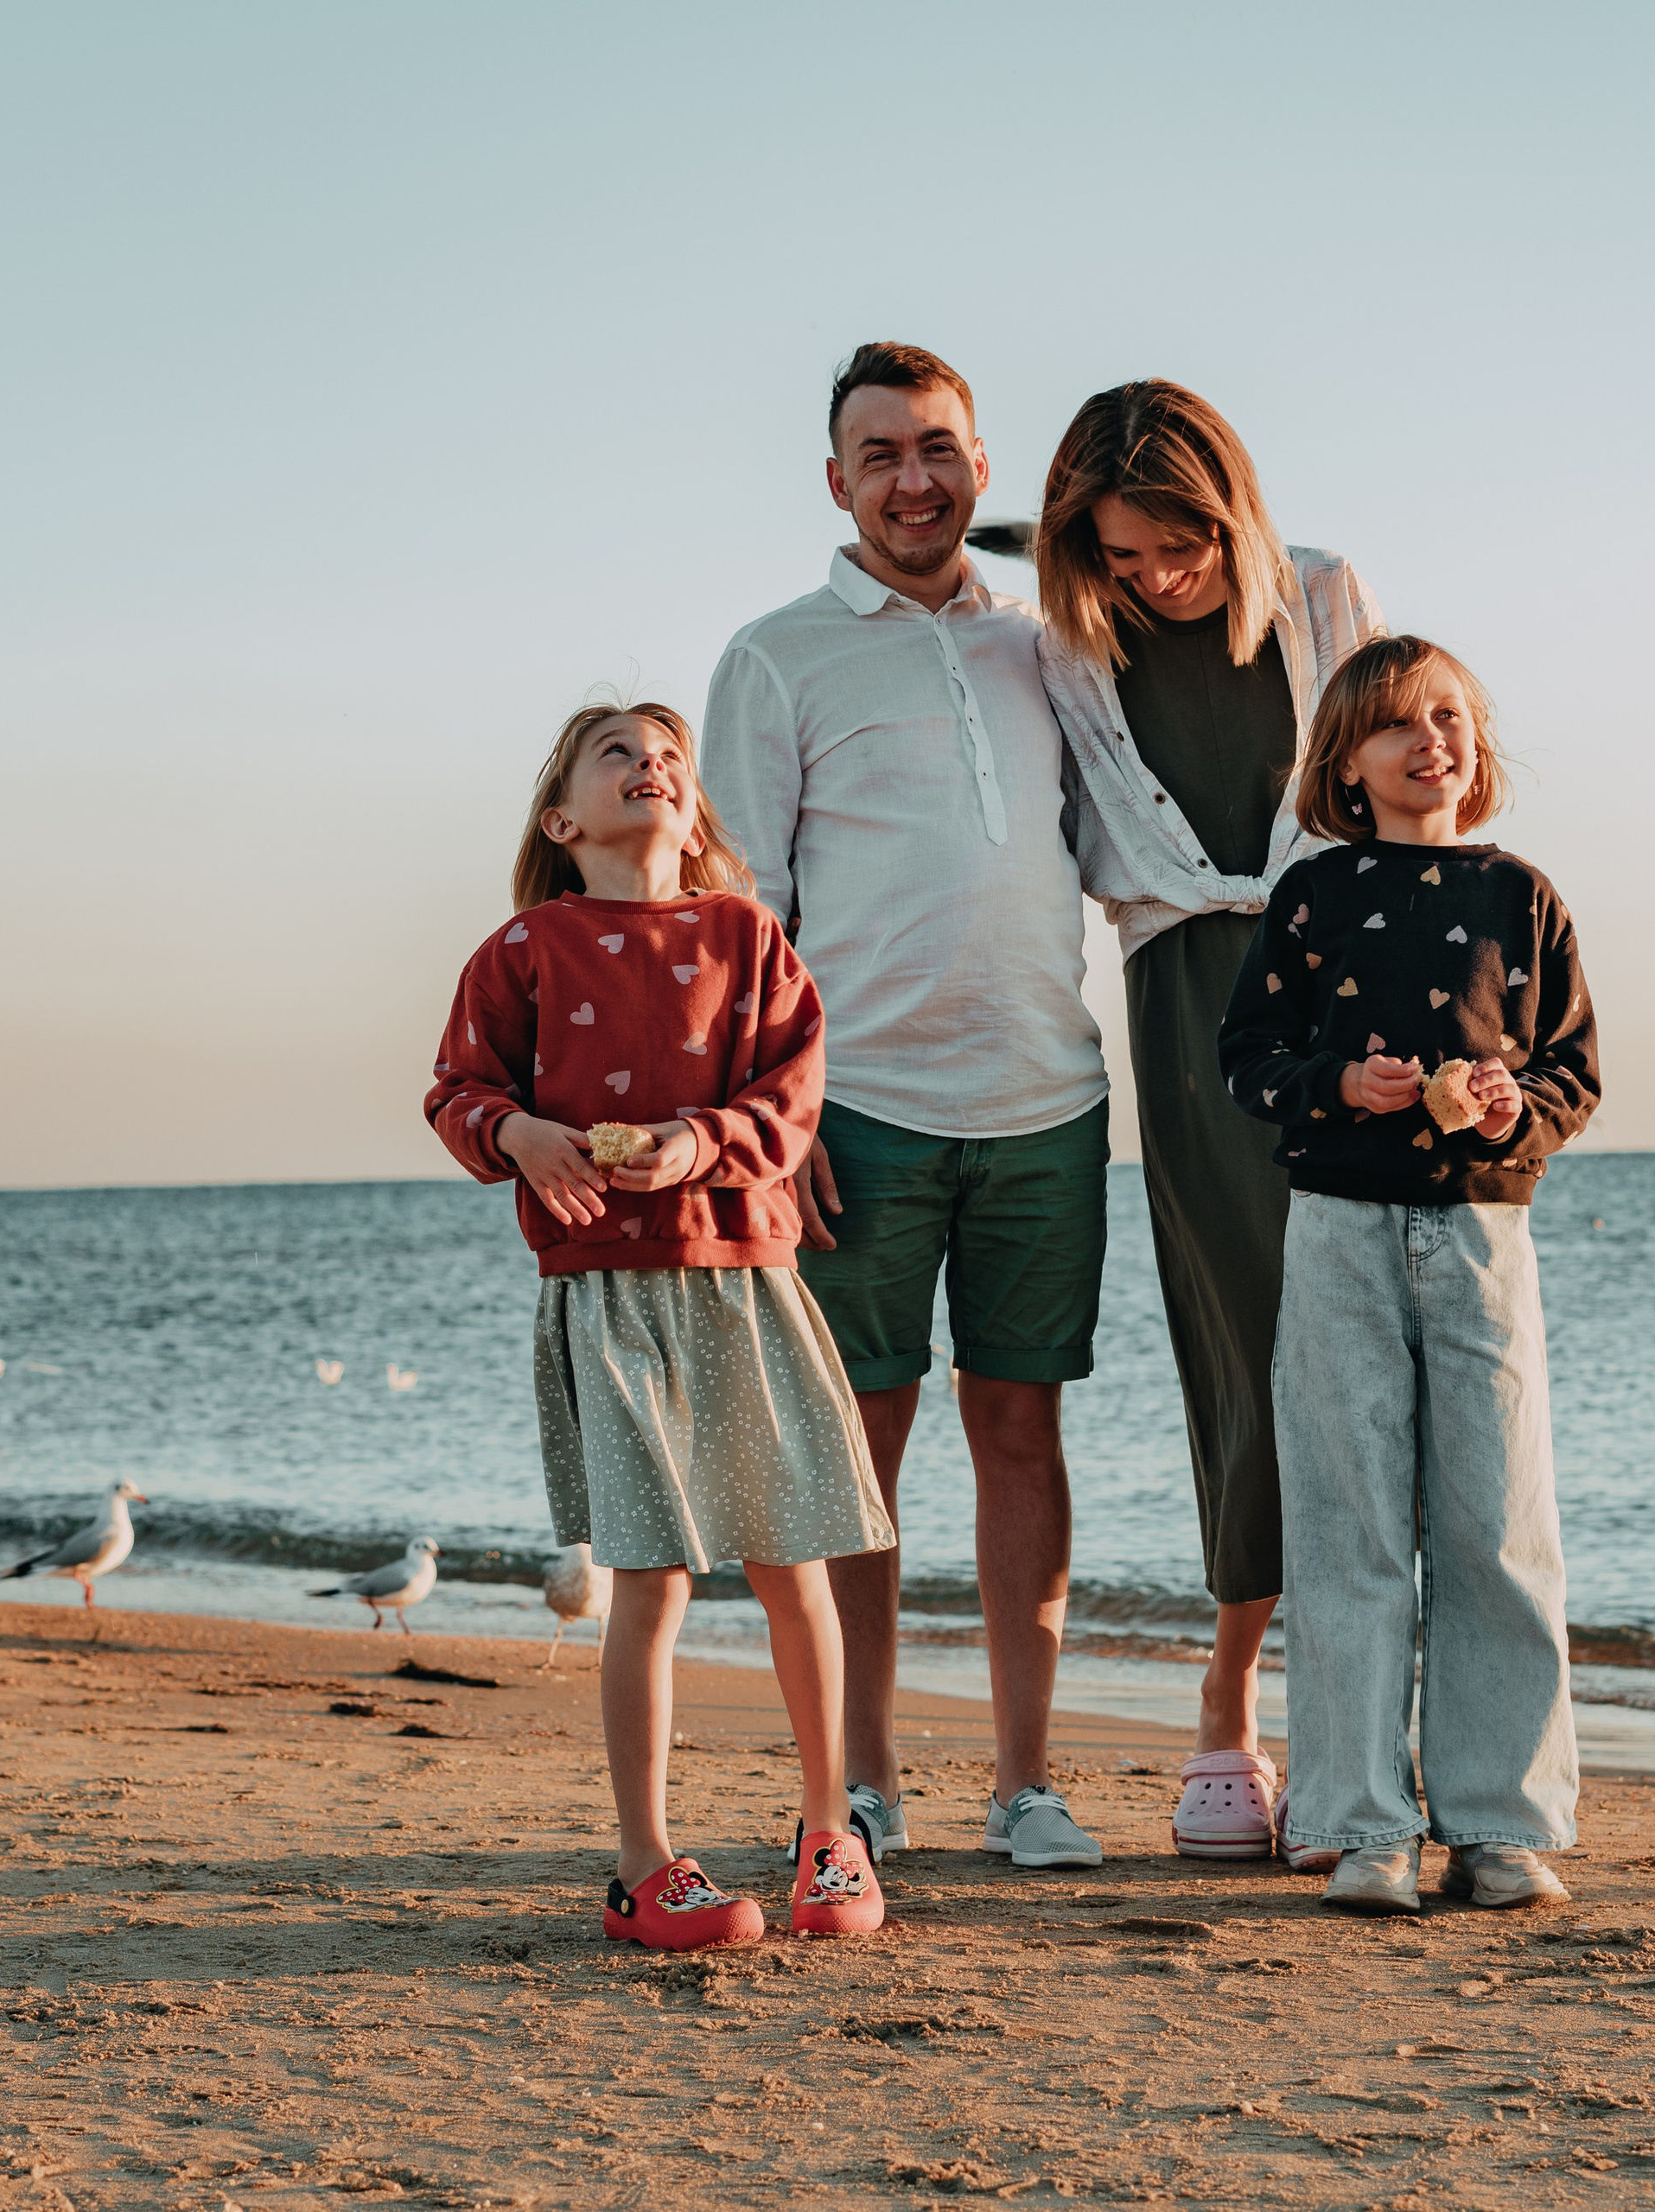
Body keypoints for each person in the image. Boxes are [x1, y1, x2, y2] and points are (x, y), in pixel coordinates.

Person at [702, 342, 1110, 1873]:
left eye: (937, 448)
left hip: (1048, 1097)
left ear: (981, 466)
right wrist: (777, 1118)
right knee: (859, 1447)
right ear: (837, 482)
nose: (913, 480)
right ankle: (862, 1782)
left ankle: (1026, 1785)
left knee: (1023, 1429)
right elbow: (741, 910)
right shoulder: (775, 657)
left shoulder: (1050, 646)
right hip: (855, 1110)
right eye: (879, 455)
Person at [424, 698, 895, 1948]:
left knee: (794, 1566)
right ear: (560, 819)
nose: (651, 766)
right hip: (606, 1292)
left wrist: (698, 1143)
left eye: (671, 757)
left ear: (695, 818)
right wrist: (520, 1136)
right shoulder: (522, 949)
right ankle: (645, 1867)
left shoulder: (748, 935)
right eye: (618, 754)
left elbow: (792, 1097)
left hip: (746, 1278)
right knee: (650, 1582)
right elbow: (457, 1091)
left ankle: (829, 1837)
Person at [1034, 381, 1381, 1862]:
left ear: (1231, 514)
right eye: (1123, 556)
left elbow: (1387, 793)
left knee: (1365, 1354)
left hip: (1351, 992)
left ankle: (1355, 1734)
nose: (1157, 579)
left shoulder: (1323, 595)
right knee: (1245, 1351)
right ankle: (1229, 1703)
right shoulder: (1073, 644)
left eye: (1180, 548)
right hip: (1187, 1015)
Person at [1219, 634, 1599, 1915]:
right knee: (1349, 1530)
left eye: (1448, 717)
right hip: (1337, 1229)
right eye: (1396, 723)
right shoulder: (1311, 898)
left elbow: (1575, 1071)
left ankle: (1499, 1822)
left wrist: (1514, 1107)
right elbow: (1248, 1056)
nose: (1429, 740)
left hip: (1484, 1235)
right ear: (1347, 762)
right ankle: (1362, 1822)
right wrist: (1340, 1082)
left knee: (1499, 1526)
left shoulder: (1523, 897)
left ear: (1475, 743)